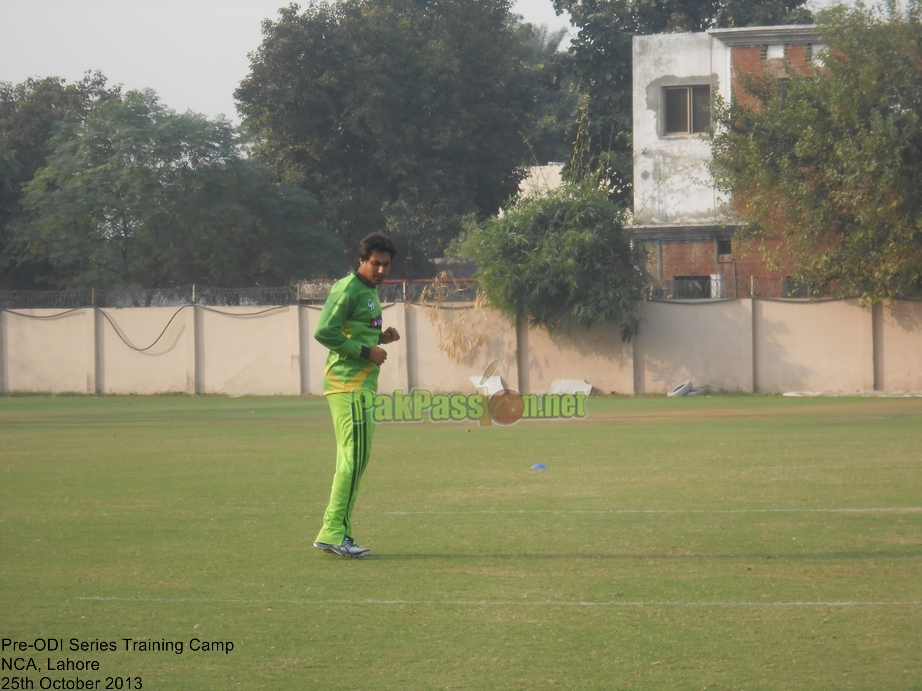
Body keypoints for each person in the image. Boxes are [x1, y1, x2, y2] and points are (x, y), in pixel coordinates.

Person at [312, 233, 400, 558]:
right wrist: (366, 353)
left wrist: (382, 337)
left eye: (385, 264)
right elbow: (324, 331)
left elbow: (354, 329)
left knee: (353, 459)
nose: (380, 270)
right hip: (349, 385)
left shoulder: (368, 292)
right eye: (374, 263)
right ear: (361, 260)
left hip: (357, 386)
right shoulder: (347, 288)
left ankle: (339, 533)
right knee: (353, 459)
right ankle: (333, 532)